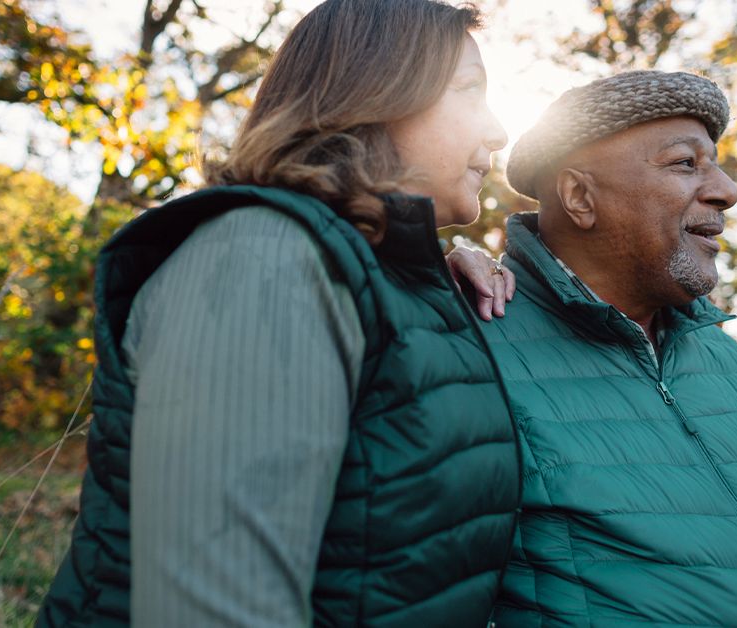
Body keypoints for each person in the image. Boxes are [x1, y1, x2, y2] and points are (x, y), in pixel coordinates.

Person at [38, 1, 523, 626]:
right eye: (470, 91)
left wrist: (441, 282)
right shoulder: (263, 259)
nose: (498, 132)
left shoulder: (386, 279)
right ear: (378, 91)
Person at [481, 71, 737, 627]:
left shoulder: (736, 368)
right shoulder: (471, 351)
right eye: (686, 163)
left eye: (715, 163)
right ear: (581, 197)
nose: (727, 190)